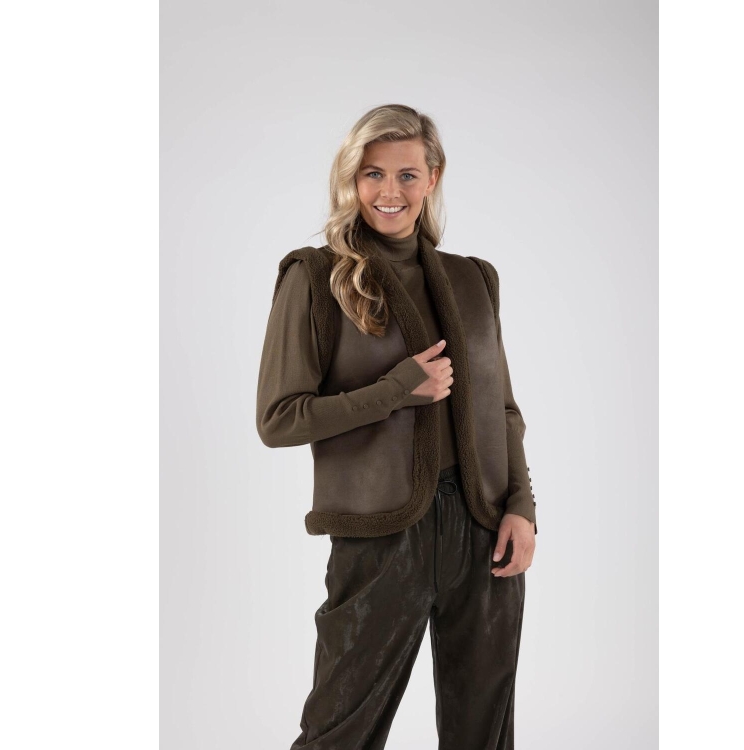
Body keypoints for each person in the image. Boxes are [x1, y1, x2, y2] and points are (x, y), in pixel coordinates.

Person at [256, 103, 538, 749]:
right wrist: (394, 392)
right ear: (351, 179)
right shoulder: (316, 275)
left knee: (485, 732)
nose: (390, 191)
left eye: (407, 174)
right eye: (373, 174)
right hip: (379, 535)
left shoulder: (473, 279)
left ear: (432, 178)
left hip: (483, 529)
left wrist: (521, 508)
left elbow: (502, 409)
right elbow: (278, 419)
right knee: (340, 730)